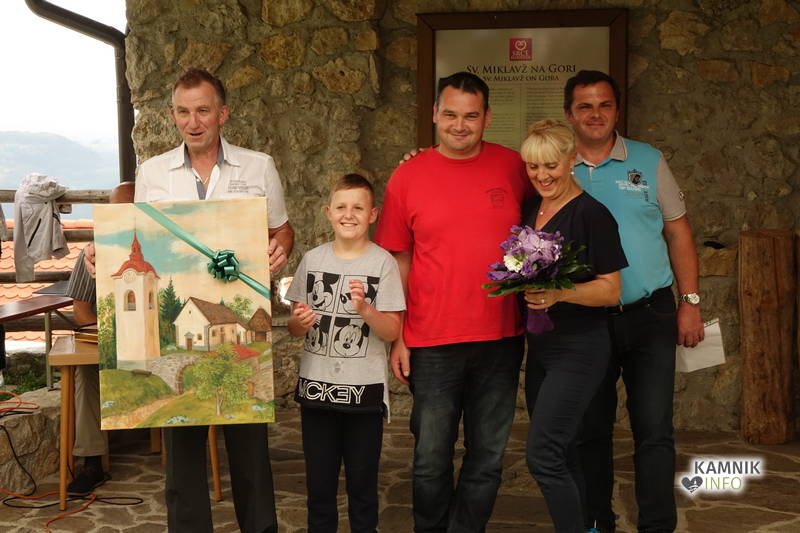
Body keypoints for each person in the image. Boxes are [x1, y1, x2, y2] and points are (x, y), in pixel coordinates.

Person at [86, 68, 294, 533]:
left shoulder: (259, 166)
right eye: (183, 112)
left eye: (202, 110)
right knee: (181, 461)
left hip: (235, 316)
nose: (193, 122)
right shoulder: (153, 172)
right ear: (173, 115)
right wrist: (101, 251)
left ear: (222, 113)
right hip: (187, 310)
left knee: (250, 453)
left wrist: (282, 245)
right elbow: (140, 237)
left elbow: (282, 228)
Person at [374, 71, 531, 533]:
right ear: (434, 115)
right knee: (430, 458)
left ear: (487, 117)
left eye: (470, 116)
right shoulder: (407, 176)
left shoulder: (514, 166)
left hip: (501, 336)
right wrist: (399, 335)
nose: (459, 125)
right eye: (450, 115)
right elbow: (398, 260)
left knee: (488, 456)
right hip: (432, 339)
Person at [563, 70, 704, 533]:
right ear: (569, 114)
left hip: (650, 315)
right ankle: (596, 522)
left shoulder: (648, 160)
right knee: (590, 430)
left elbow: (678, 232)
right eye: (585, 106)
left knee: (654, 430)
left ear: (617, 110)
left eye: (604, 104)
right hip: (585, 320)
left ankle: (657, 525)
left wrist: (690, 301)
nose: (596, 114)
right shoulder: (557, 165)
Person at [518, 120, 627, 532]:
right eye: (533, 167)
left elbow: (611, 290)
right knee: (563, 453)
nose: (542, 175)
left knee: (543, 455)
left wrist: (559, 293)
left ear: (571, 159)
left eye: (551, 165)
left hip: (579, 349)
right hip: (541, 349)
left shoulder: (593, 215)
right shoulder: (532, 209)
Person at [285, 174, 405, 533]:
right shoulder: (312, 260)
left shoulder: (383, 263)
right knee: (319, 487)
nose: (348, 214)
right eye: (341, 207)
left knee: (362, 487)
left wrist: (366, 310)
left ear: (373, 214)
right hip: (316, 391)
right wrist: (299, 323)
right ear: (328, 212)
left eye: (358, 208)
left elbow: (392, 330)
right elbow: (293, 326)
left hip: (363, 393)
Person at [65, 181, 135, 495]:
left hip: (158, 341)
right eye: (118, 212)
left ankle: (188, 454)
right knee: (85, 370)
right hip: (111, 339)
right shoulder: (93, 252)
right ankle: (91, 461)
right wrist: (112, 338)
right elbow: (81, 311)